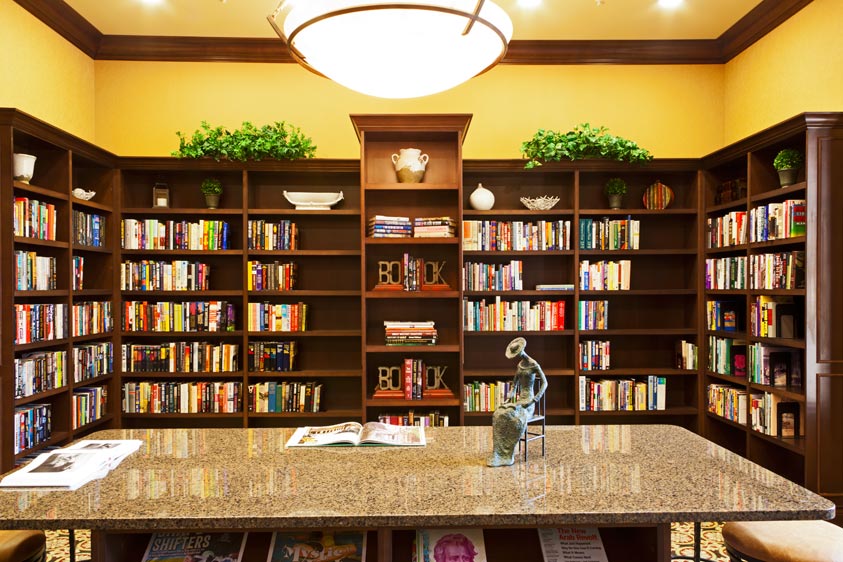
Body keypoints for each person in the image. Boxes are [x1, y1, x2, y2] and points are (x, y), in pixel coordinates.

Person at [487, 337, 547, 467]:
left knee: (516, 418)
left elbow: (545, 383)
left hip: (529, 402)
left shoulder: (534, 364)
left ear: (522, 351)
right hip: (519, 400)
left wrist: (535, 399)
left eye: (518, 353)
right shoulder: (519, 366)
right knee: (499, 414)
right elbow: (515, 384)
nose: (517, 356)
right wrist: (509, 397)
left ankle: (507, 454)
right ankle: (498, 453)